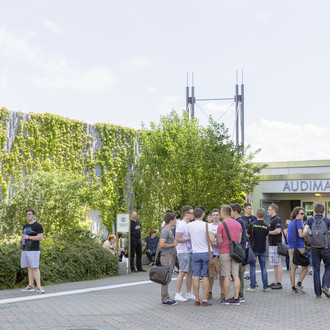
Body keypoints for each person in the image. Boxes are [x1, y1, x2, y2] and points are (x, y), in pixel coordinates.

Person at [188, 208, 215, 307]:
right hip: (206, 253)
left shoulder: (189, 225)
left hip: (195, 253)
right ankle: (204, 300)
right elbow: (212, 239)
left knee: (196, 275)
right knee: (206, 276)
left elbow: (189, 235)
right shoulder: (207, 225)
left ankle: (196, 299)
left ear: (194, 215)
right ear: (202, 215)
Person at [217, 205, 242, 306]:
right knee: (235, 275)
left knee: (226, 276)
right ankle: (236, 298)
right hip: (235, 252)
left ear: (223, 213)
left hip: (225, 251)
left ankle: (226, 298)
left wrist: (221, 246)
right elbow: (239, 240)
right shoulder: (238, 224)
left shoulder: (221, 225)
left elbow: (218, 241)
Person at [303, 203, 330, 298]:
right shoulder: (327, 220)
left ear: (314, 210)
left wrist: (310, 236)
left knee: (316, 270)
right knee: (328, 266)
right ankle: (325, 285)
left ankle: (318, 294)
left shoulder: (310, 220)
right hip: (326, 247)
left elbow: (305, 232)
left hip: (314, 248)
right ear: (323, 211)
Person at [20, 209, 45, 293]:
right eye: (27, 214)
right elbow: (23, 236)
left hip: (34, 250)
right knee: (29, 268)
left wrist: (29, 238)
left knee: (35, 268)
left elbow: (40, 237)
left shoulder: (38, 226)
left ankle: (39, 287)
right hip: (25, 250)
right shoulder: (25, 226)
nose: (28, 216)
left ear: (34, 215)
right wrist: (22, 241)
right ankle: (31, 286)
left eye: (30, 214)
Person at [174, 205, 195, 302]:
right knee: (182, 272)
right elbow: (177, 239)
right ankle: (177, 293)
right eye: (191, 213)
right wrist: (189, 239)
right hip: (183, 252)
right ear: (186, 214)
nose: (193, 214)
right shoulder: (181, 224)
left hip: (190, 251)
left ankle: (188, 293)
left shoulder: (189, 224)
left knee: (190, 272)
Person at [246, 208, 270, 292]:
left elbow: (247, 236)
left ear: (256, 214)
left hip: (253, 248)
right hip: (262, 248)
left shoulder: (252, 224)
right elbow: (266, 237)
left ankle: (252, 287)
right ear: (264, 215)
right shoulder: (266, 226)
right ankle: (265, 287)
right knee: (263, 267)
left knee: (252, 267)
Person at [287, 207, 308, 294]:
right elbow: (300, 235)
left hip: (291, 248)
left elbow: (288, 236)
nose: (303, 215)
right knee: (306, 266)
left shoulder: (290, 223)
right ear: (296, 214)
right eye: (301, 213)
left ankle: (293, 288)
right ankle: (299, 284)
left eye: (304, 213)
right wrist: (306, 233)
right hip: (299, 247)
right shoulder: (299, 222)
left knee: (293, 268)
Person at [159, 212, 178, 305]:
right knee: (165, 277)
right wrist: (172, 245)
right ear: (171, 220)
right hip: (166, 257)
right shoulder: (165, 231)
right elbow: (161, 244)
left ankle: (166, 296)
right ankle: (165, 298)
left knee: (168, 277)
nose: (176, 221)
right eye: (174, 219)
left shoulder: (170, 230)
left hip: (170, 256)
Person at [230, 203, 247, 303]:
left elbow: (240, 238)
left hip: (238, 250)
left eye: (231, 211)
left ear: (235, 211)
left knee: (238, 273)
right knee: (238, 272)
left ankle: (240, 294)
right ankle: (240, 293)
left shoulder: (239, 222)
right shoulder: (240, 221)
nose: (230, 213)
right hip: (240, 249)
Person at [207, 208, 224, 300]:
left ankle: (222, 292)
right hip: (212, 252)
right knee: (211, 273)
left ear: (220, 216)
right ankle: (209, 292)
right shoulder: (208, 226)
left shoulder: (222, 225)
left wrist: (219, 243)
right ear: (211, 216)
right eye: (213, 215)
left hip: (221, 251)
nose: (215, 217)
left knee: (222, 273)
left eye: (217, 215)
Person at [267, 204, 283, 289]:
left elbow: (278, 230)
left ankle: (279, 282)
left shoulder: (276, 219)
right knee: (274, 264)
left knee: (278, 263)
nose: (267, 211)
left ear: (273, 210)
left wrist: (268, 232)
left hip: (276, 244)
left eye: (269, 210)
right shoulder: (272, 219)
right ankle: (275, 281)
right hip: (272, 244)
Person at [241, 202, 257, 281]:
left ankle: (252, 279)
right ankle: (241, 278)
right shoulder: (241, 219)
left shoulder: (254, 218)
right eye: (248, 209)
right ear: (244, 209)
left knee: (252, 261)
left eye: (251, 209)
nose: (250, 210)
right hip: (244, 243)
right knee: (243, 262)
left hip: (253, 242)